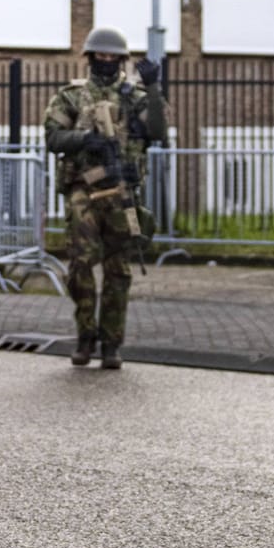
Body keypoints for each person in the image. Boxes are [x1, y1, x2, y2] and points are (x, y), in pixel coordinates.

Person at [44, 26, 167, 370]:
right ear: (91, 57)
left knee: (118, 269)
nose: (108, 61)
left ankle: (111, 343)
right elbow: (53, 137)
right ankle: (86, 336)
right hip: (85, 188)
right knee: (81, 264)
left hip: (122, 192)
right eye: (102, 55)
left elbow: (157, 132)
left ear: (122, 59)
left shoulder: (135, 97)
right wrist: (85, 139)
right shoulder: (71, 96)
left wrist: (155, 87)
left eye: (114, 57)